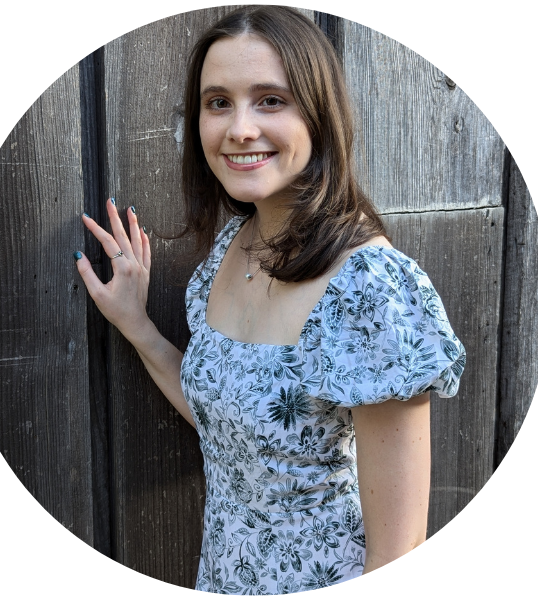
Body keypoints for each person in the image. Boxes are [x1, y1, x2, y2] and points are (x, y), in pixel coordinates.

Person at [73, 6, 465, 594]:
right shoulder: (237, 242)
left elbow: (399, 551)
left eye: (271, 100)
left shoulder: (371, 291)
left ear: (319, 114)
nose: (240, 129)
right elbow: (231, 426)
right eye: (218, 102)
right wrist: (137, 326)